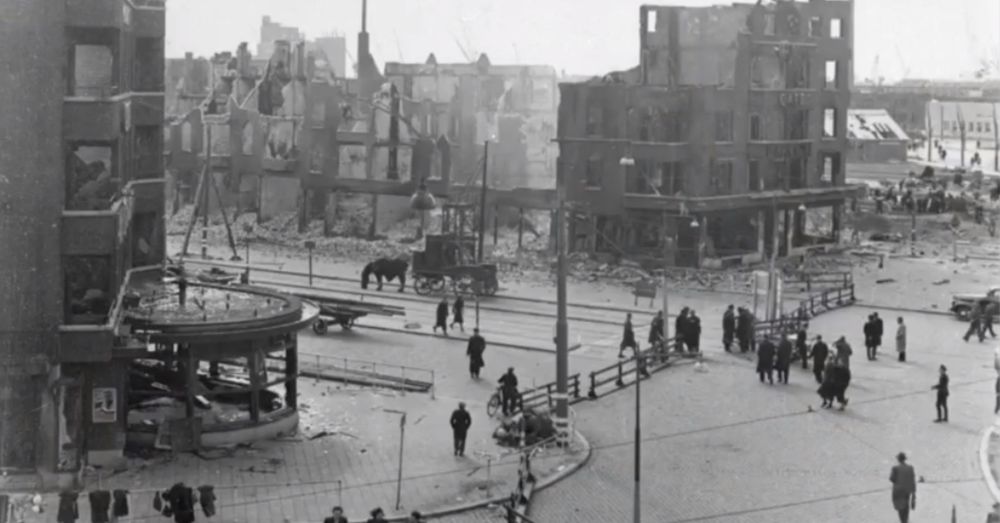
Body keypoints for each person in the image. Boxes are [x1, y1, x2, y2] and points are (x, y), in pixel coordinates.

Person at [889, 452, 917, 523]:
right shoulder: (910, 468)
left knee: (900, 509)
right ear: (904, 459)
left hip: (898, 492)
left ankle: (903, 521)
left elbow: (892, 479)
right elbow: (912, 481)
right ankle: (905, 521)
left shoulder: (895, 468)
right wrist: (914, 495)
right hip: (907, 492)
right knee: (906, 507)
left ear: (898, 459)